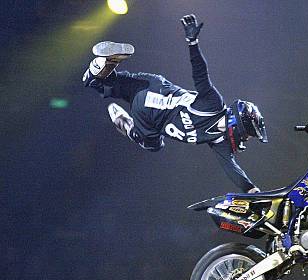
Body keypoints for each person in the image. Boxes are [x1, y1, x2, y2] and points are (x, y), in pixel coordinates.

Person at [82, 14, 265, 193]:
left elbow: (231, 168)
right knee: (154, 145)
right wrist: (193, 43)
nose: (246, 139)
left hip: (152, 86)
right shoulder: (214, 107)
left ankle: (97, 70)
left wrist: (251, 189)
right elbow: (201, 75)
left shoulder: (218, 139)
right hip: (150, 113)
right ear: (239, 126)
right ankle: (125, 122)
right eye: (248, 134)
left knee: (112, 85)